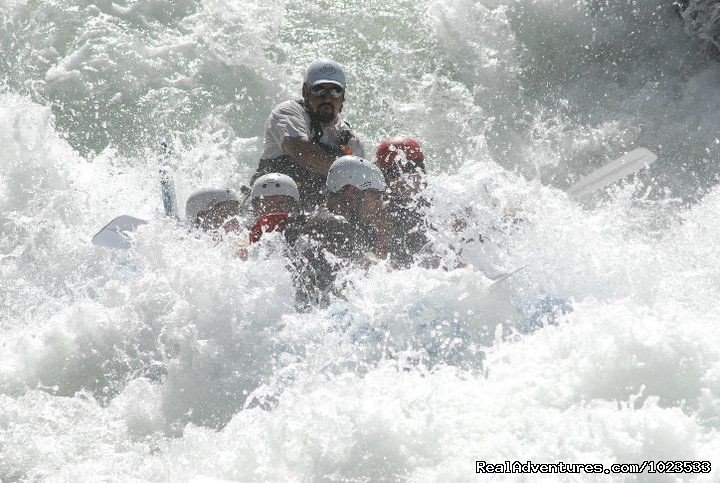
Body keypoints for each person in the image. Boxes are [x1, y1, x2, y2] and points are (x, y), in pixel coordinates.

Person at [251, 59, 365, 211]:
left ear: (343, 96)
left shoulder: (350, 140)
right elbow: (302, 152)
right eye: (319, 90)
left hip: (314, 217)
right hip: (270, 209)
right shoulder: (287, 113)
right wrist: (348, 172)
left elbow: (361, 184)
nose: (327, 98)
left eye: (335, 91)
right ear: (305, 91)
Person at [284, 155, 388, 309]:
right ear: (352, 191)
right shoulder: (332, 224)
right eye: (375, 195)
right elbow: (370, 265)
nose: (381, 204)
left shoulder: (323, 220)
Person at [375, 136, 435, 268]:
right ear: (385, 179)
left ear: (421, 170)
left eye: (410, 169)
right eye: (393, 173)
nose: (402, 179)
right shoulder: (381, 214)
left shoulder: (440, 206)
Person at [247, 173, 300, 244]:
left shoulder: (303, 233)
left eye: (280, 204)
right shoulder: (248, 232)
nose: (274, 211)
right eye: (267, 206)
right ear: (257, 208)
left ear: (293, 206)